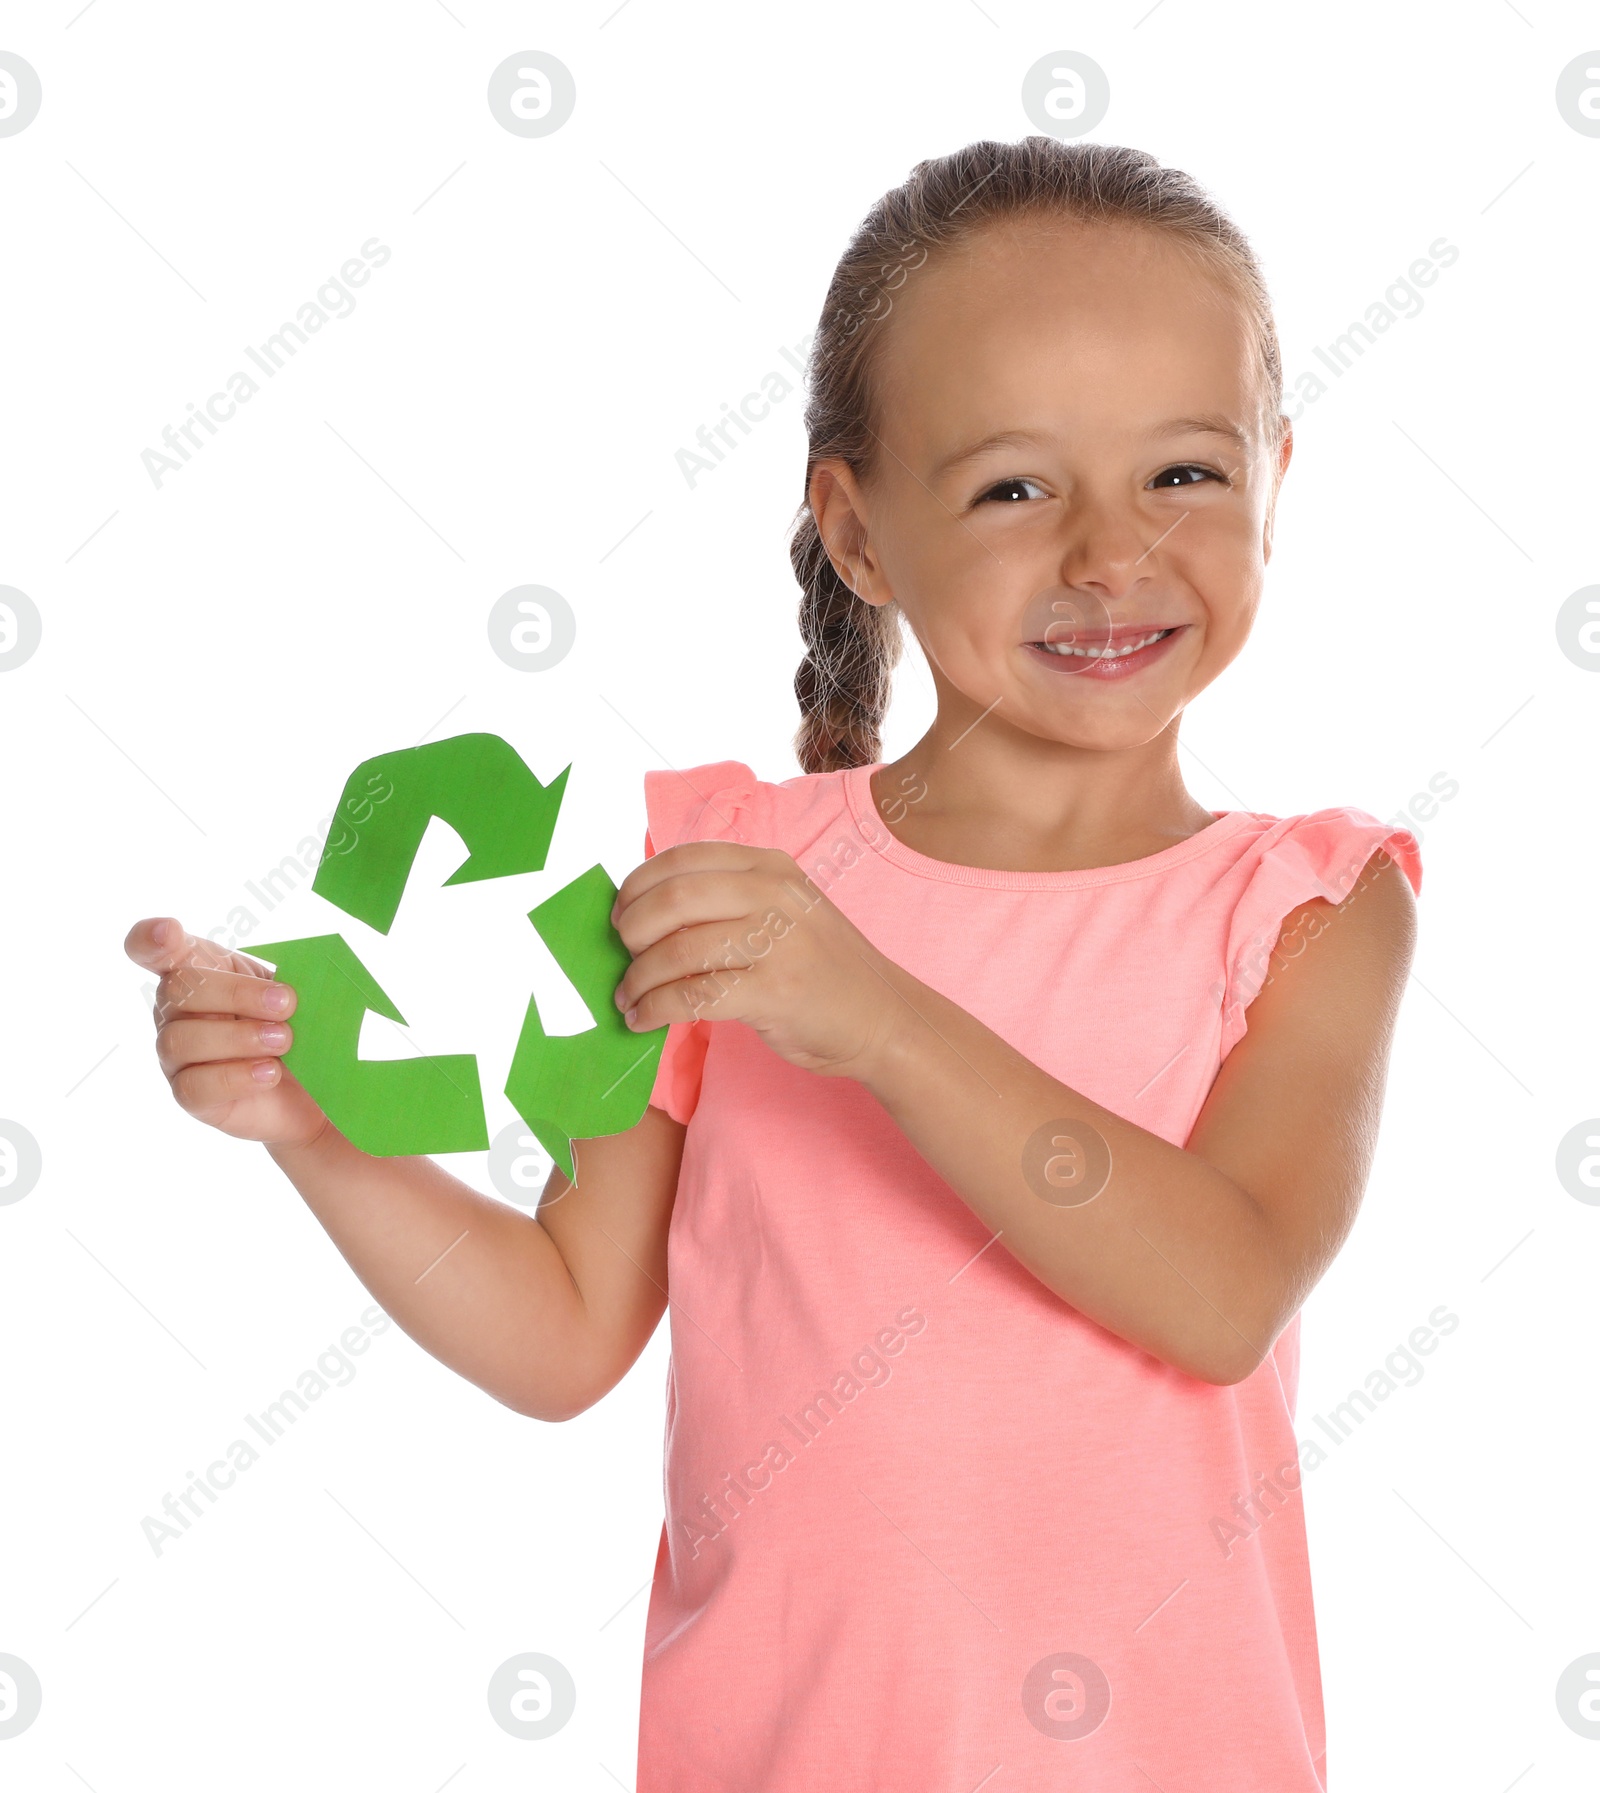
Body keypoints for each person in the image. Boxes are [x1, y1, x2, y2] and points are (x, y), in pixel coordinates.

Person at [125, 136, 1421, 1790]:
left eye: (1184, 473)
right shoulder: (718, 879)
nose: (1112, 553)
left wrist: (869, 1011)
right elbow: (569, 1326)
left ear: (1275, 477)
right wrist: (311, 1126)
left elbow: (1221, 1290)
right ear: (860, 532)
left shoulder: (1306, 901)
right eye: (1016, 486)